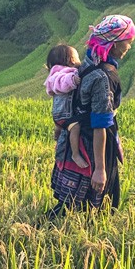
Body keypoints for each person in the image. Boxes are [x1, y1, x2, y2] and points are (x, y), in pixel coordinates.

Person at [64, 14, 135, 210]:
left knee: (75, 201)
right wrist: (100, 169)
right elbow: (100, 125)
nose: (129, 47)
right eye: (127, 42)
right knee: (100, 204)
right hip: (95, 144)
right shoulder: (104, 77)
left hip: (81, 139)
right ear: (113, 45)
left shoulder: (89, 64)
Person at [45, 43, 92, 208]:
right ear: (70, 60)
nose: (79, 61)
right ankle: (75, 154)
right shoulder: (62, 73)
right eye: (77, 57)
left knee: (63, 129)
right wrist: (74, 80)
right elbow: (62, 82)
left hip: (59, 115)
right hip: (65, 114)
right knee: (75, 127)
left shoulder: (57, 71)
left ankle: (58, 133)